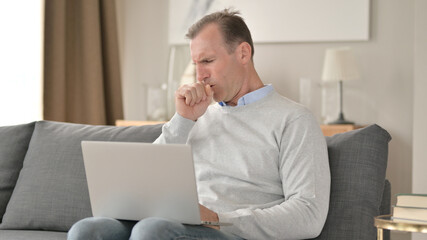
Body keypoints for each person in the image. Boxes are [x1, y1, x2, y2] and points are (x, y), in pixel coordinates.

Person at [68, 9, 330, 240]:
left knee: (152, 231)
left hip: (229, 231)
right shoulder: (197, 115)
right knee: (87, 231)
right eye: (196, 64)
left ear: (243, 53)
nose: (200, 75)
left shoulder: (293, 119)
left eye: (207, 61)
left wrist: (217, 218)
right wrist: (183, 120)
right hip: (174, 223)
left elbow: (308, 214)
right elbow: (148, 178)